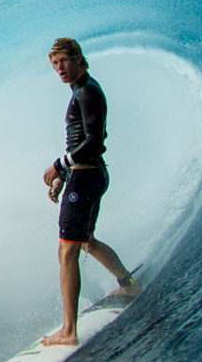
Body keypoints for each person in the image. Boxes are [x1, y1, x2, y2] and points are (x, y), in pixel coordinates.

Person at [40, 37, 138, 345]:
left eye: (64, 61)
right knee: (85, 242)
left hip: (86, 179)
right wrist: (63, 173)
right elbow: (80, 143)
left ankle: (68, 331)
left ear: (79, 58)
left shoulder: (87, 92)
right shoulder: (81, 91)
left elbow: (95, 141)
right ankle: (127, 283)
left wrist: (59, 164)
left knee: (66, 251)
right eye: (55, 64)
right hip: (85, 176)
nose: (60, 69)